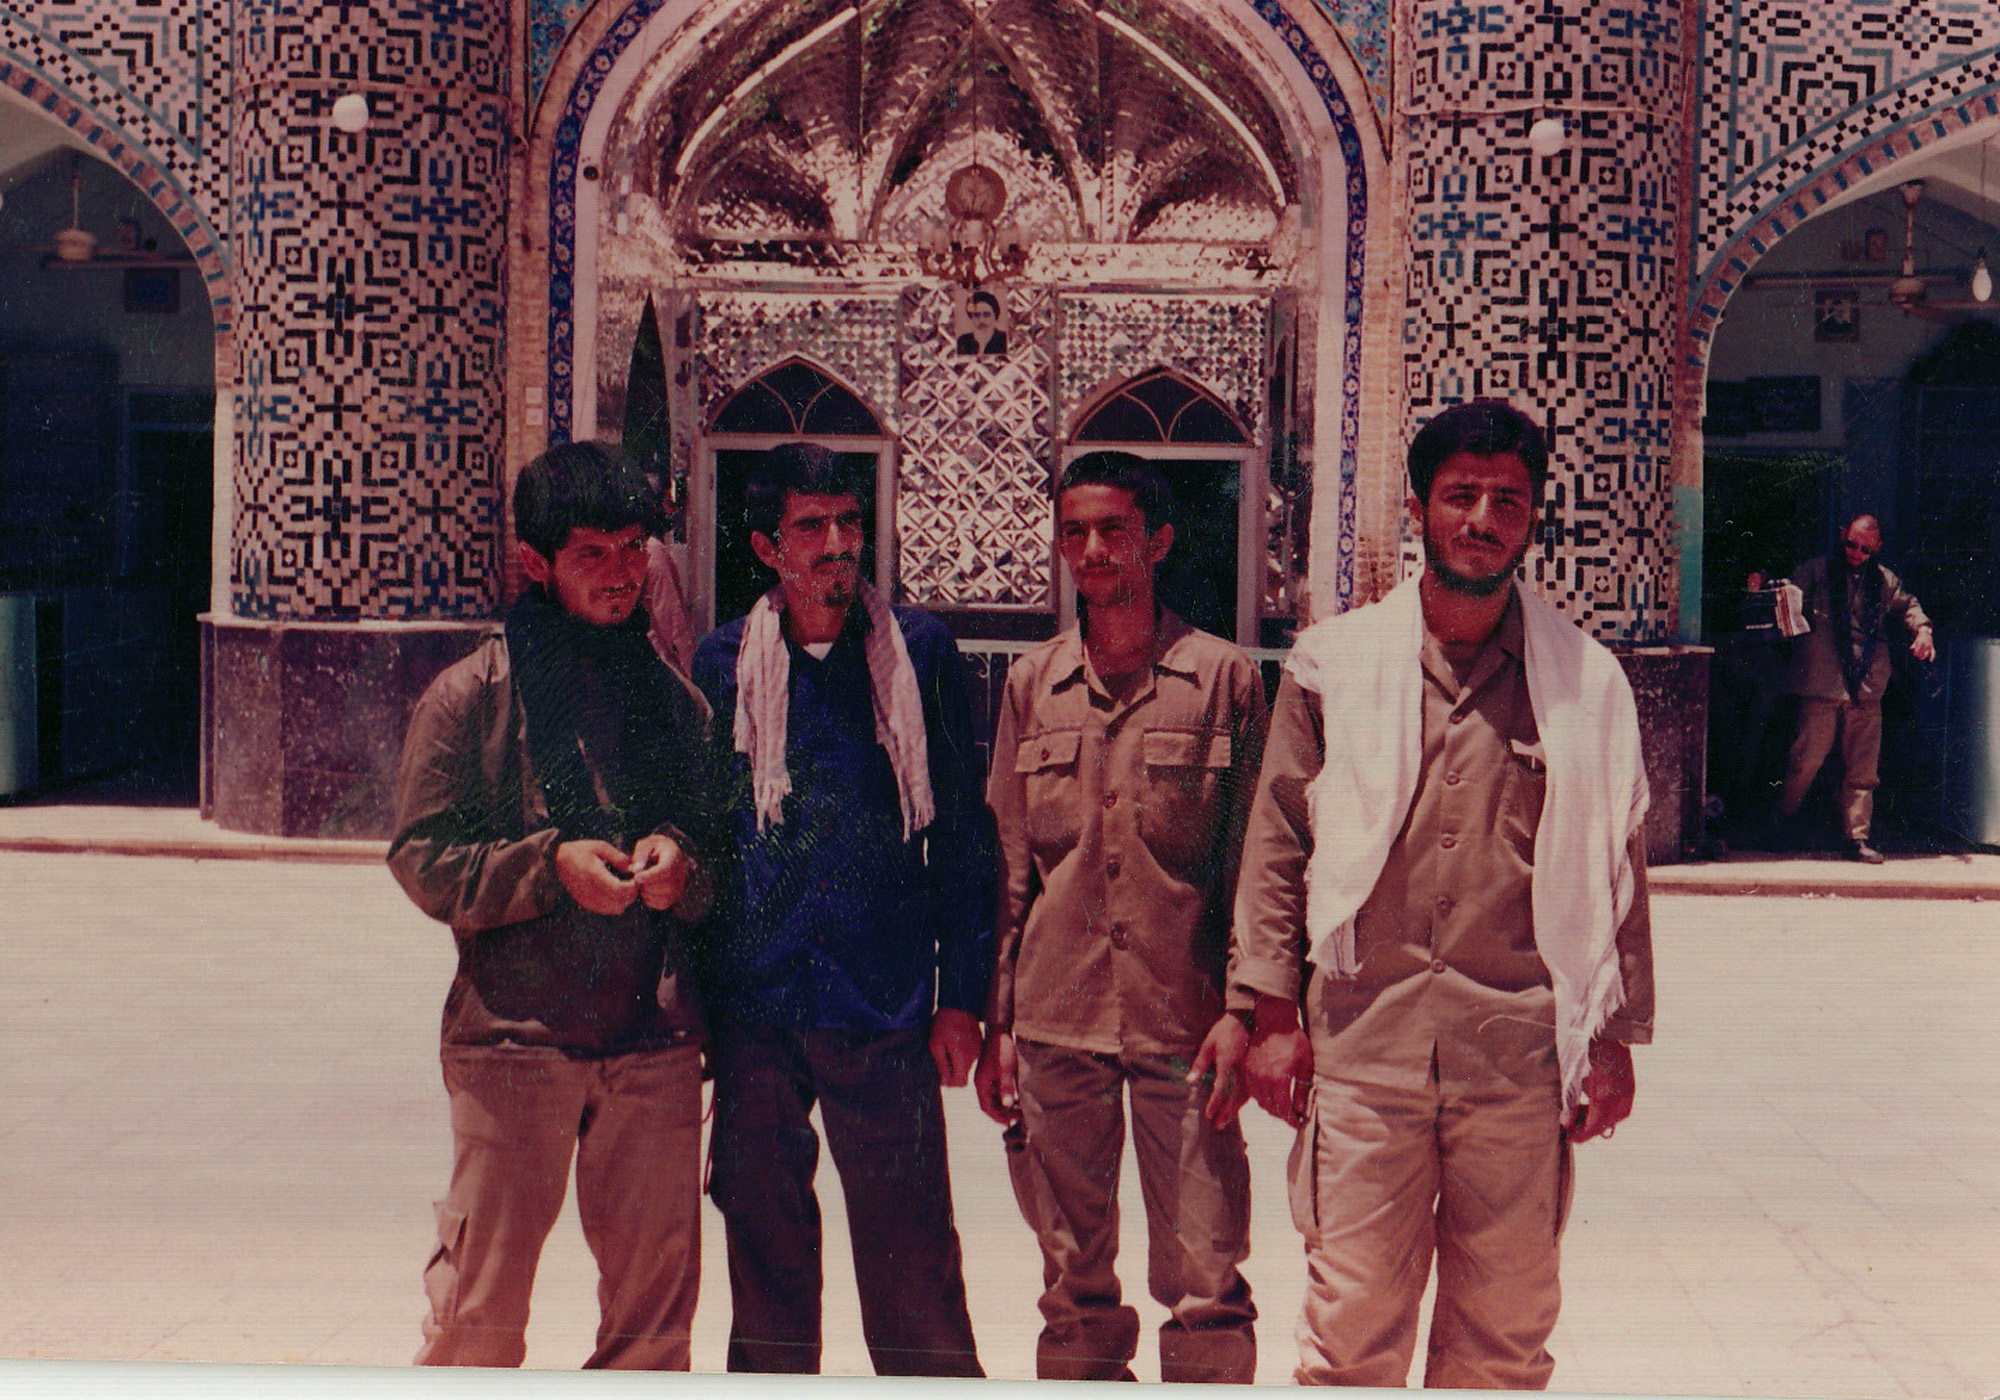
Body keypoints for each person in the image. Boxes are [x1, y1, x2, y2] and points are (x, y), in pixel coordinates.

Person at [1217, 400, 1654, 1389]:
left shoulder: (1584, 684)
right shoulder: (1335, 666)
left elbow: (1618, 872)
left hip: (1518, 1059)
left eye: (1506, 500)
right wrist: (1271, 1016)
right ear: (1418, 509)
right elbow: (1278, 844)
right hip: (1364, 1051)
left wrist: (1614, 1039)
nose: (1481, 518)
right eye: (1460, 495)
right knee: (1350, 1333)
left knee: (1503, 1338)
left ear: (1532, 519)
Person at [387, 441, 716, 1369]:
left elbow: (718, 852)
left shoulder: (674, 700)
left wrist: (683, 865)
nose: (621, 573)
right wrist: (546, 867)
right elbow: (421, 857)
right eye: (592, 554)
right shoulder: (469, 698)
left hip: (650, 1044)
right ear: (535, 562)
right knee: (478, 1320)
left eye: (634, 548)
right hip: (514, 1042)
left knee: (654, 1333)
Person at [691, 441, 992, 1377]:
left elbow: (963, 836)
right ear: (766, 547)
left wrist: (962, 997)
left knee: (914, 1266)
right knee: (766, 1260)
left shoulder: (919, 654)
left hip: (884, 1004)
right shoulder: (725, 662)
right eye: (811, 526)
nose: (837, 544)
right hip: (759, 1009)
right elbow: (709, 839)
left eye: (849, 523)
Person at [976, 451, 1265, 1383]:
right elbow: (1009, 865)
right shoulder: (1032, 685)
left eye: (1113, 530)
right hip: (1056, 1022)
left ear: (1159, 540)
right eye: (1075, 533)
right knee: (1071, 1283)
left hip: (1187, 1023)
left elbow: (1255, 863)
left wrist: (1247, 1009)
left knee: (1207, 1277)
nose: (1093, 549)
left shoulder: (1222, 680)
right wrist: (998, 1024)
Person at [1774, 513, 1934, 863]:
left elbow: (1908, 605)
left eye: (1865, 549)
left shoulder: (1884, 580)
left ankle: (1857, 838)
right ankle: (1782, 820)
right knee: (1806, 760)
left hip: (1867, 685)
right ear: (1842, 535)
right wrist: (1766, 589)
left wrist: (1923, 630)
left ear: (1877, 547)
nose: (1856, 553)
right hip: (1823, 681)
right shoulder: (1816, 571)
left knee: (1863, 770)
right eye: (1851, 544)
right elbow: (1787, 593)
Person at [956, 288, 1009, 354]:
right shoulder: (963, 341)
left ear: (995, 317)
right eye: (976, 315)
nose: (981, 320)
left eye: (986, 315)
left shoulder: (1004, 340)